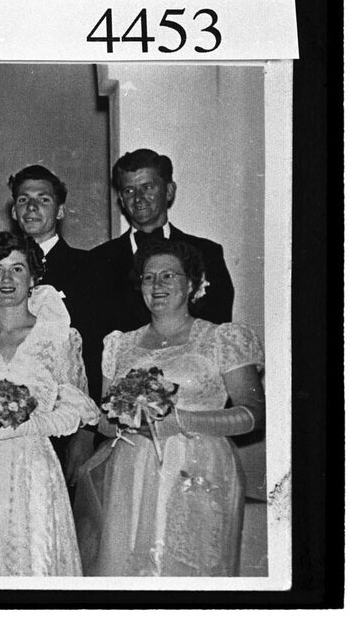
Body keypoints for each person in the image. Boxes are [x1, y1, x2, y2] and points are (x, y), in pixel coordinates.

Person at [74, 239, 265, 576]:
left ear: (191, 283)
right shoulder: (120, 344)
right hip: (131, 467)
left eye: (168, 276)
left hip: (199, 467)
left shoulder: (222, 339)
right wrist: (125, 422)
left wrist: (180, 421)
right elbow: (104, 419)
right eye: (149, 278)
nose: (157, 285)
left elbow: (252, 413)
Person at [0, 232, 99, 576]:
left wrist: (32, 424)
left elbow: (75, 404)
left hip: (33, 465)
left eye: (17, 269)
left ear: (34, 278)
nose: (7, 278)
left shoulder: (58, 336)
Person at [8, 164, 102, 476]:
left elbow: (93, 352)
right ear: (13, 210)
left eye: (43, 199)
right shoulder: (0, 270)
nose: (32, 207)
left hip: (65, 424)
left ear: (60, 211)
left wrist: (87, 430)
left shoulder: (87, 267)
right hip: (8, 421)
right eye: (23, 200)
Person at [90, 148, 235, 334]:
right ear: (121, 199)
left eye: (148, 187)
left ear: (169, 191)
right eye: (129, 190)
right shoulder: (98, 260)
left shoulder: (207, 252)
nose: (138, 198)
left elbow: (218, 328)